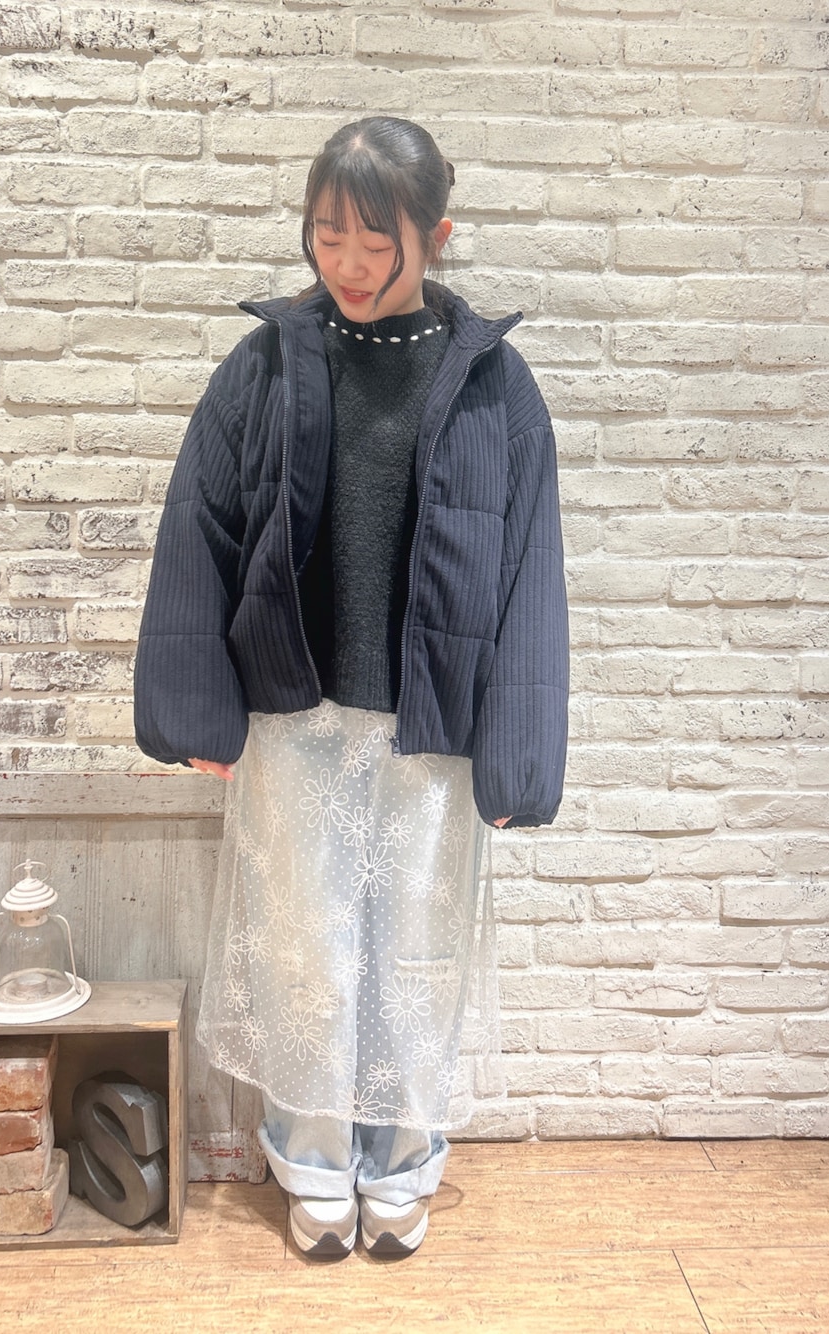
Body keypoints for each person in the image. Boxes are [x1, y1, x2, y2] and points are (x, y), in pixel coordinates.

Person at [134, 116, 569, 1259]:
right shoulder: (267, 363)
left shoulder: (494, 383)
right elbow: (199, 524)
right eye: (328, 235)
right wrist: (193, 708)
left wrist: (520, 758)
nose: (349, 262)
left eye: (377, 240)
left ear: (436, 234)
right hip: (298, 717)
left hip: (433, 729)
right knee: (305, 954)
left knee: (416, 963)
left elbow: (530, 567)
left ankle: (403, 1163)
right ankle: (314, 1163)